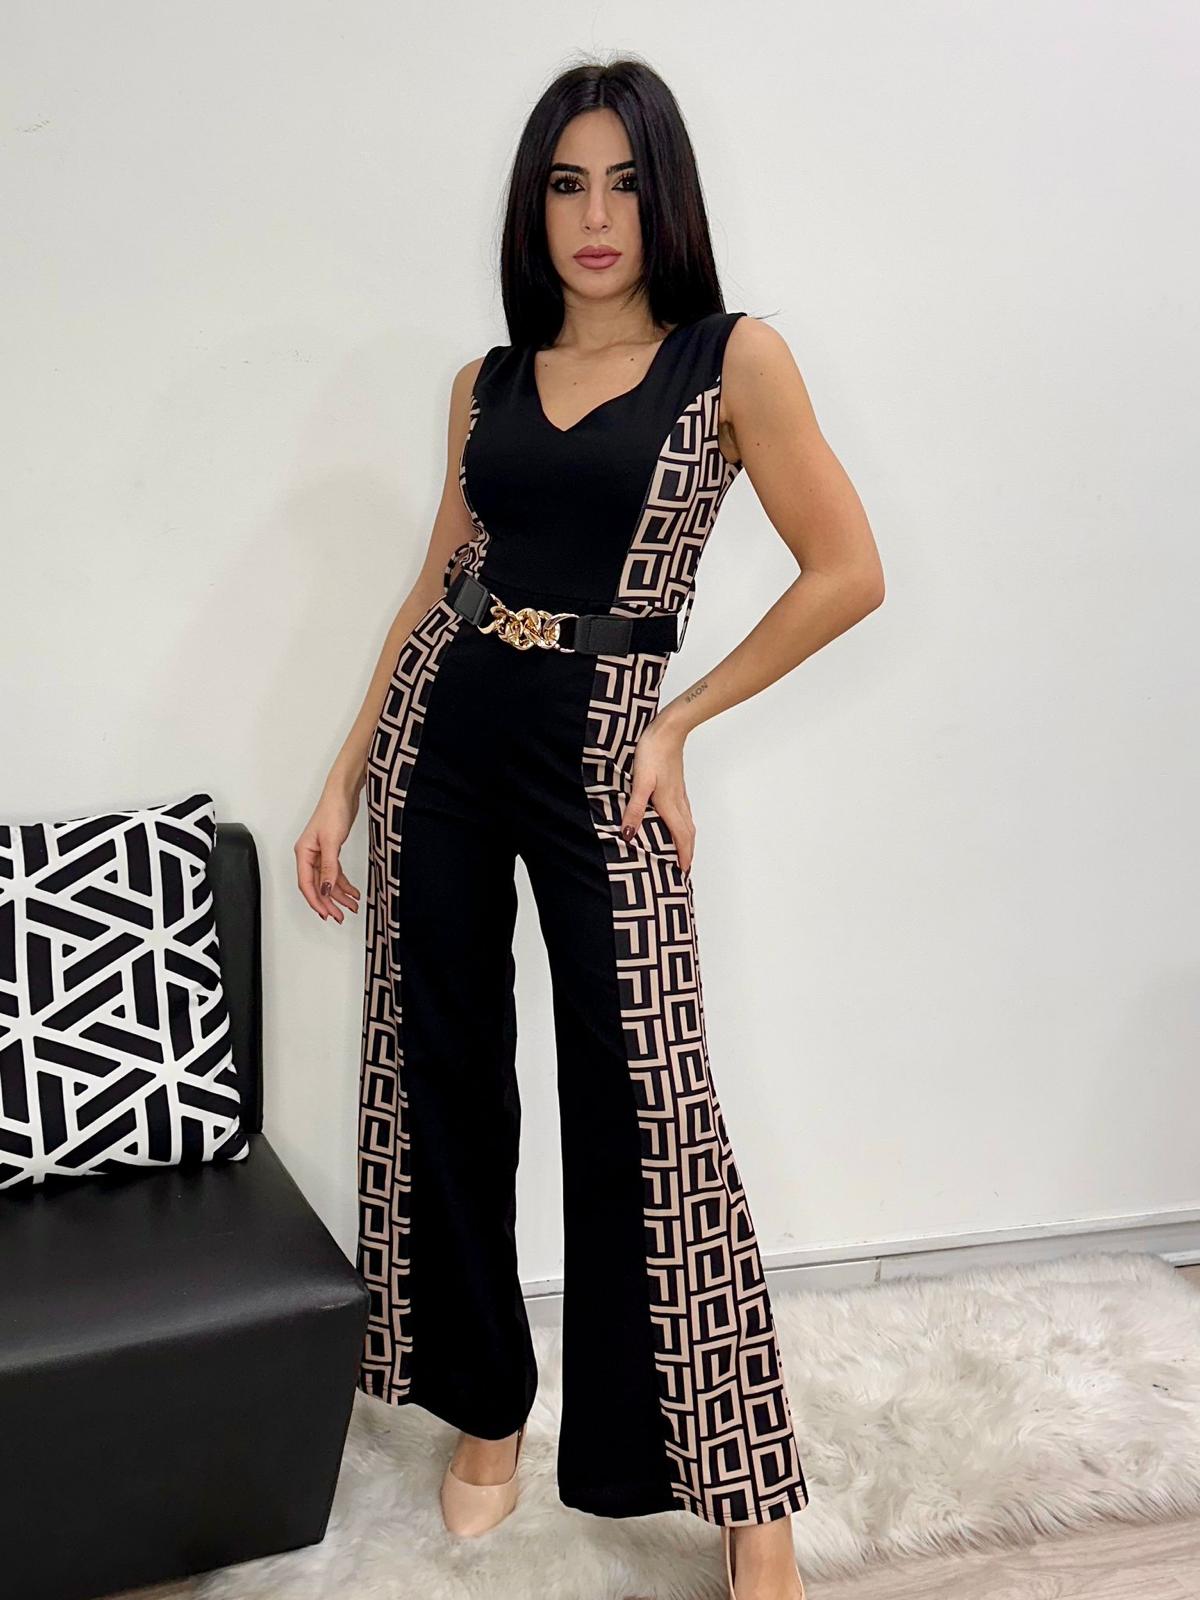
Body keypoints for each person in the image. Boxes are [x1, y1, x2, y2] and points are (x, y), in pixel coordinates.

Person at [296, 55, 882, 1600]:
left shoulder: (730, 361)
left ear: (666, 194)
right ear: (533, 206)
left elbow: (848, 571)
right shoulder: (486, 384)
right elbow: (439, 583)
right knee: (439, 1069)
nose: (596, 213)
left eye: (625, 180)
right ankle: (487, 1406)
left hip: (609, 743)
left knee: (652, 1101)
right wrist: (349, 772)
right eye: (567, 182)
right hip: (445, 729)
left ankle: (746, 1496)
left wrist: (680, 723)